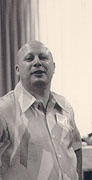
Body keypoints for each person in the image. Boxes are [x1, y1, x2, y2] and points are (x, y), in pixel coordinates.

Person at [0, 41, 82, 180]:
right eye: (29, 58)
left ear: (54, 67)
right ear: (17, 69)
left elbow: (76, 148)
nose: (37, 62)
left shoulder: (65, 106)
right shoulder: (4, 109)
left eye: (43, 57)